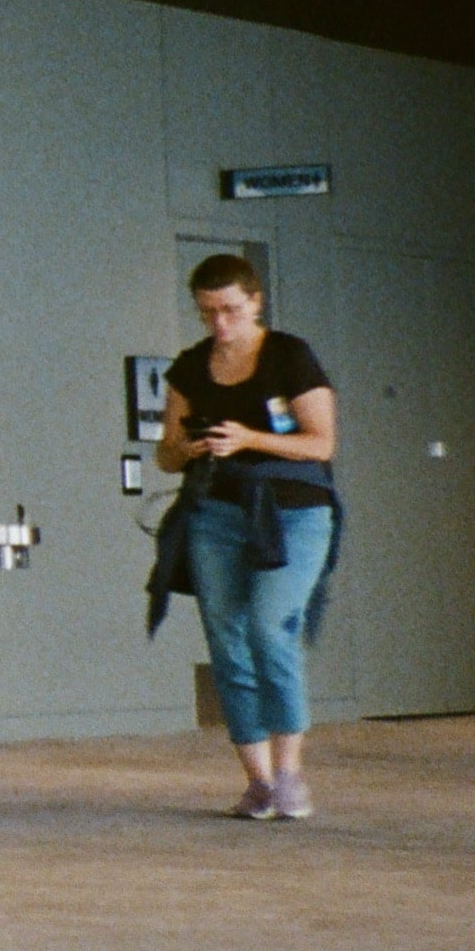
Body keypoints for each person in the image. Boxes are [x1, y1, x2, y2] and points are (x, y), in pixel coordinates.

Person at [149, 253, 341, 820]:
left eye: (231, 309)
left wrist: (249, 438)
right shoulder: (190, 367)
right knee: (227, 641)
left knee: (267, 627)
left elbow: (320, 443)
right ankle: (257, 782)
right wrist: (189, 447)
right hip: (216, 514)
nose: (220, 323)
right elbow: (165, 455)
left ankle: (289, 774)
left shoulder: (289, 356)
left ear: (255, 301)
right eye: (208, 312)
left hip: (294, 513)